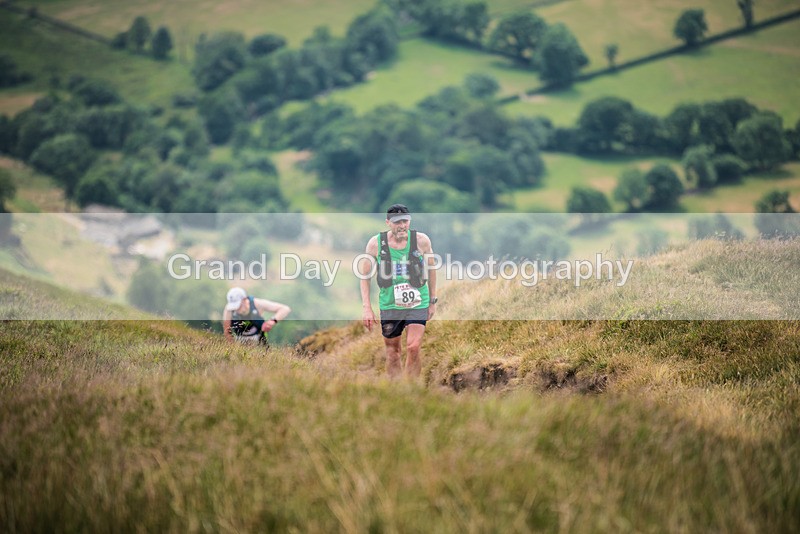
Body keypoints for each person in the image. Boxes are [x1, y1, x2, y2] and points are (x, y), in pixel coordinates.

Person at [360, 204, 437, 378]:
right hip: (390, 303)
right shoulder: (375, 244)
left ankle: (411, 391)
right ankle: (397, 392)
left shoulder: (422, 241)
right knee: (393, 352)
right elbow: (364, 276)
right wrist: (367, 307)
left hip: (418, 301)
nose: (402, 225)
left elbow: (432, 270)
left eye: (405, 221)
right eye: (397, 222)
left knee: (413, 346)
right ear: (388, 222)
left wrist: (432, 301)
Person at [222, 286, 291, 345]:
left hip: (259, 343)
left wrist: (272, 321)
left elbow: (285, 309)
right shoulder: (229, 309)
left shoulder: (258, 304)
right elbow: (227, 331)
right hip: (239, 343)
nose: (236, 309)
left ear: (245, 299)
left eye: (238, 305)